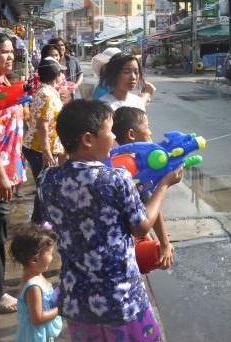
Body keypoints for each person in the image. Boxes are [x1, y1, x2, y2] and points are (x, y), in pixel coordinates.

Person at [37, 100, 182, 340]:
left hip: (76, 298)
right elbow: (142, 226)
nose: (114, 137)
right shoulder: (115, 178)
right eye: (109, 131)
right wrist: (164, 184)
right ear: (87, 139)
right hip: (120, 298)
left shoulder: (47, 179)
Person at [0, 32, 26, 314]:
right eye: (3, 52)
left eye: (12, 51)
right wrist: (1, 176)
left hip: (5, 170)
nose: (10, 56)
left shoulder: (1, 83)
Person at [112, 107, 175, 271]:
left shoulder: (113, 159)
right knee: (156, 253)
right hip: (120, 253)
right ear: (132, 135)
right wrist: (164, 244)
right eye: (147, 127)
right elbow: (146, 212)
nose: (150, 132)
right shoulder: (132, 168)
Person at [22, 59, 65, 223]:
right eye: (61, 73)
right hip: (38, 149)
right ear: (57, 75)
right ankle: (38, 224)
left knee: (45, 187)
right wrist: (46, 153)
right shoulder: (46, 95)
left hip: (42, 148)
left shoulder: (48, 92)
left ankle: (39, 222)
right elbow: (43, 126)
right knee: (45, 188)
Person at [10, 223, 63, 342]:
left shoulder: (32, 274)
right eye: (49, 253)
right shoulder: (34, 286)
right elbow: (37, 318)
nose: (52, 256)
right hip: (36, 337)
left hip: (39, 333)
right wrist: (61, 309)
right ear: (34, 259)